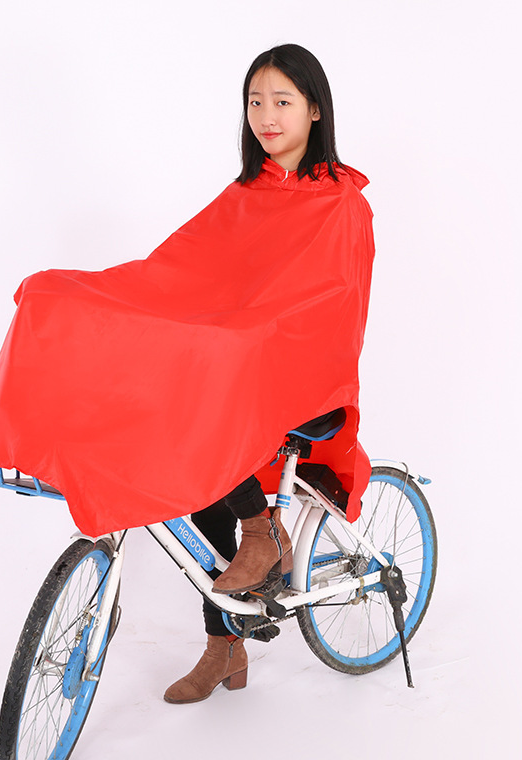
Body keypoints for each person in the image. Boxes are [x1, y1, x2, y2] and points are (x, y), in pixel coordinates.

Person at [162, 45, 373, 703]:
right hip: (239, 366)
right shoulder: (244, 196)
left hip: (306, 374)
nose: (266, 116)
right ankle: (224, 647)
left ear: (315, 109)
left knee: (213, 419)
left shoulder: (341, 201)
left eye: (282, 101)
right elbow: (181, 270)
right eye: (256, 101)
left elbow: (338, 303)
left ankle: (263, 530)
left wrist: (254, 338)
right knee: (198, 479)